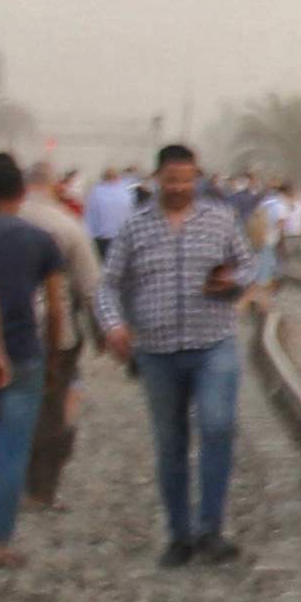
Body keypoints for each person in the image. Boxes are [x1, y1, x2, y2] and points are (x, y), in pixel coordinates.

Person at [103, 142, 259, 564]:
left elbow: (249, 265)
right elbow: (110, 284)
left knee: (217, 426)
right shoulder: (136, 228)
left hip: (213, 342)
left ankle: (211, 528)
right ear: (157, 179)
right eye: (171, 180)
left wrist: (233, 280)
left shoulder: (220, 219)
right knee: (170, 442)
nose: (179, 187)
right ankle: (180, 535)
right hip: (157, 352)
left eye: (187, 180)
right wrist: (113, 324)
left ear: (198, 178)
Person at [0, 155, 80, 569]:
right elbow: (54, 305)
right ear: (21, 191)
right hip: (24, 351)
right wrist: (52, 355)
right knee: (13, 447)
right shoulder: (40, 239)